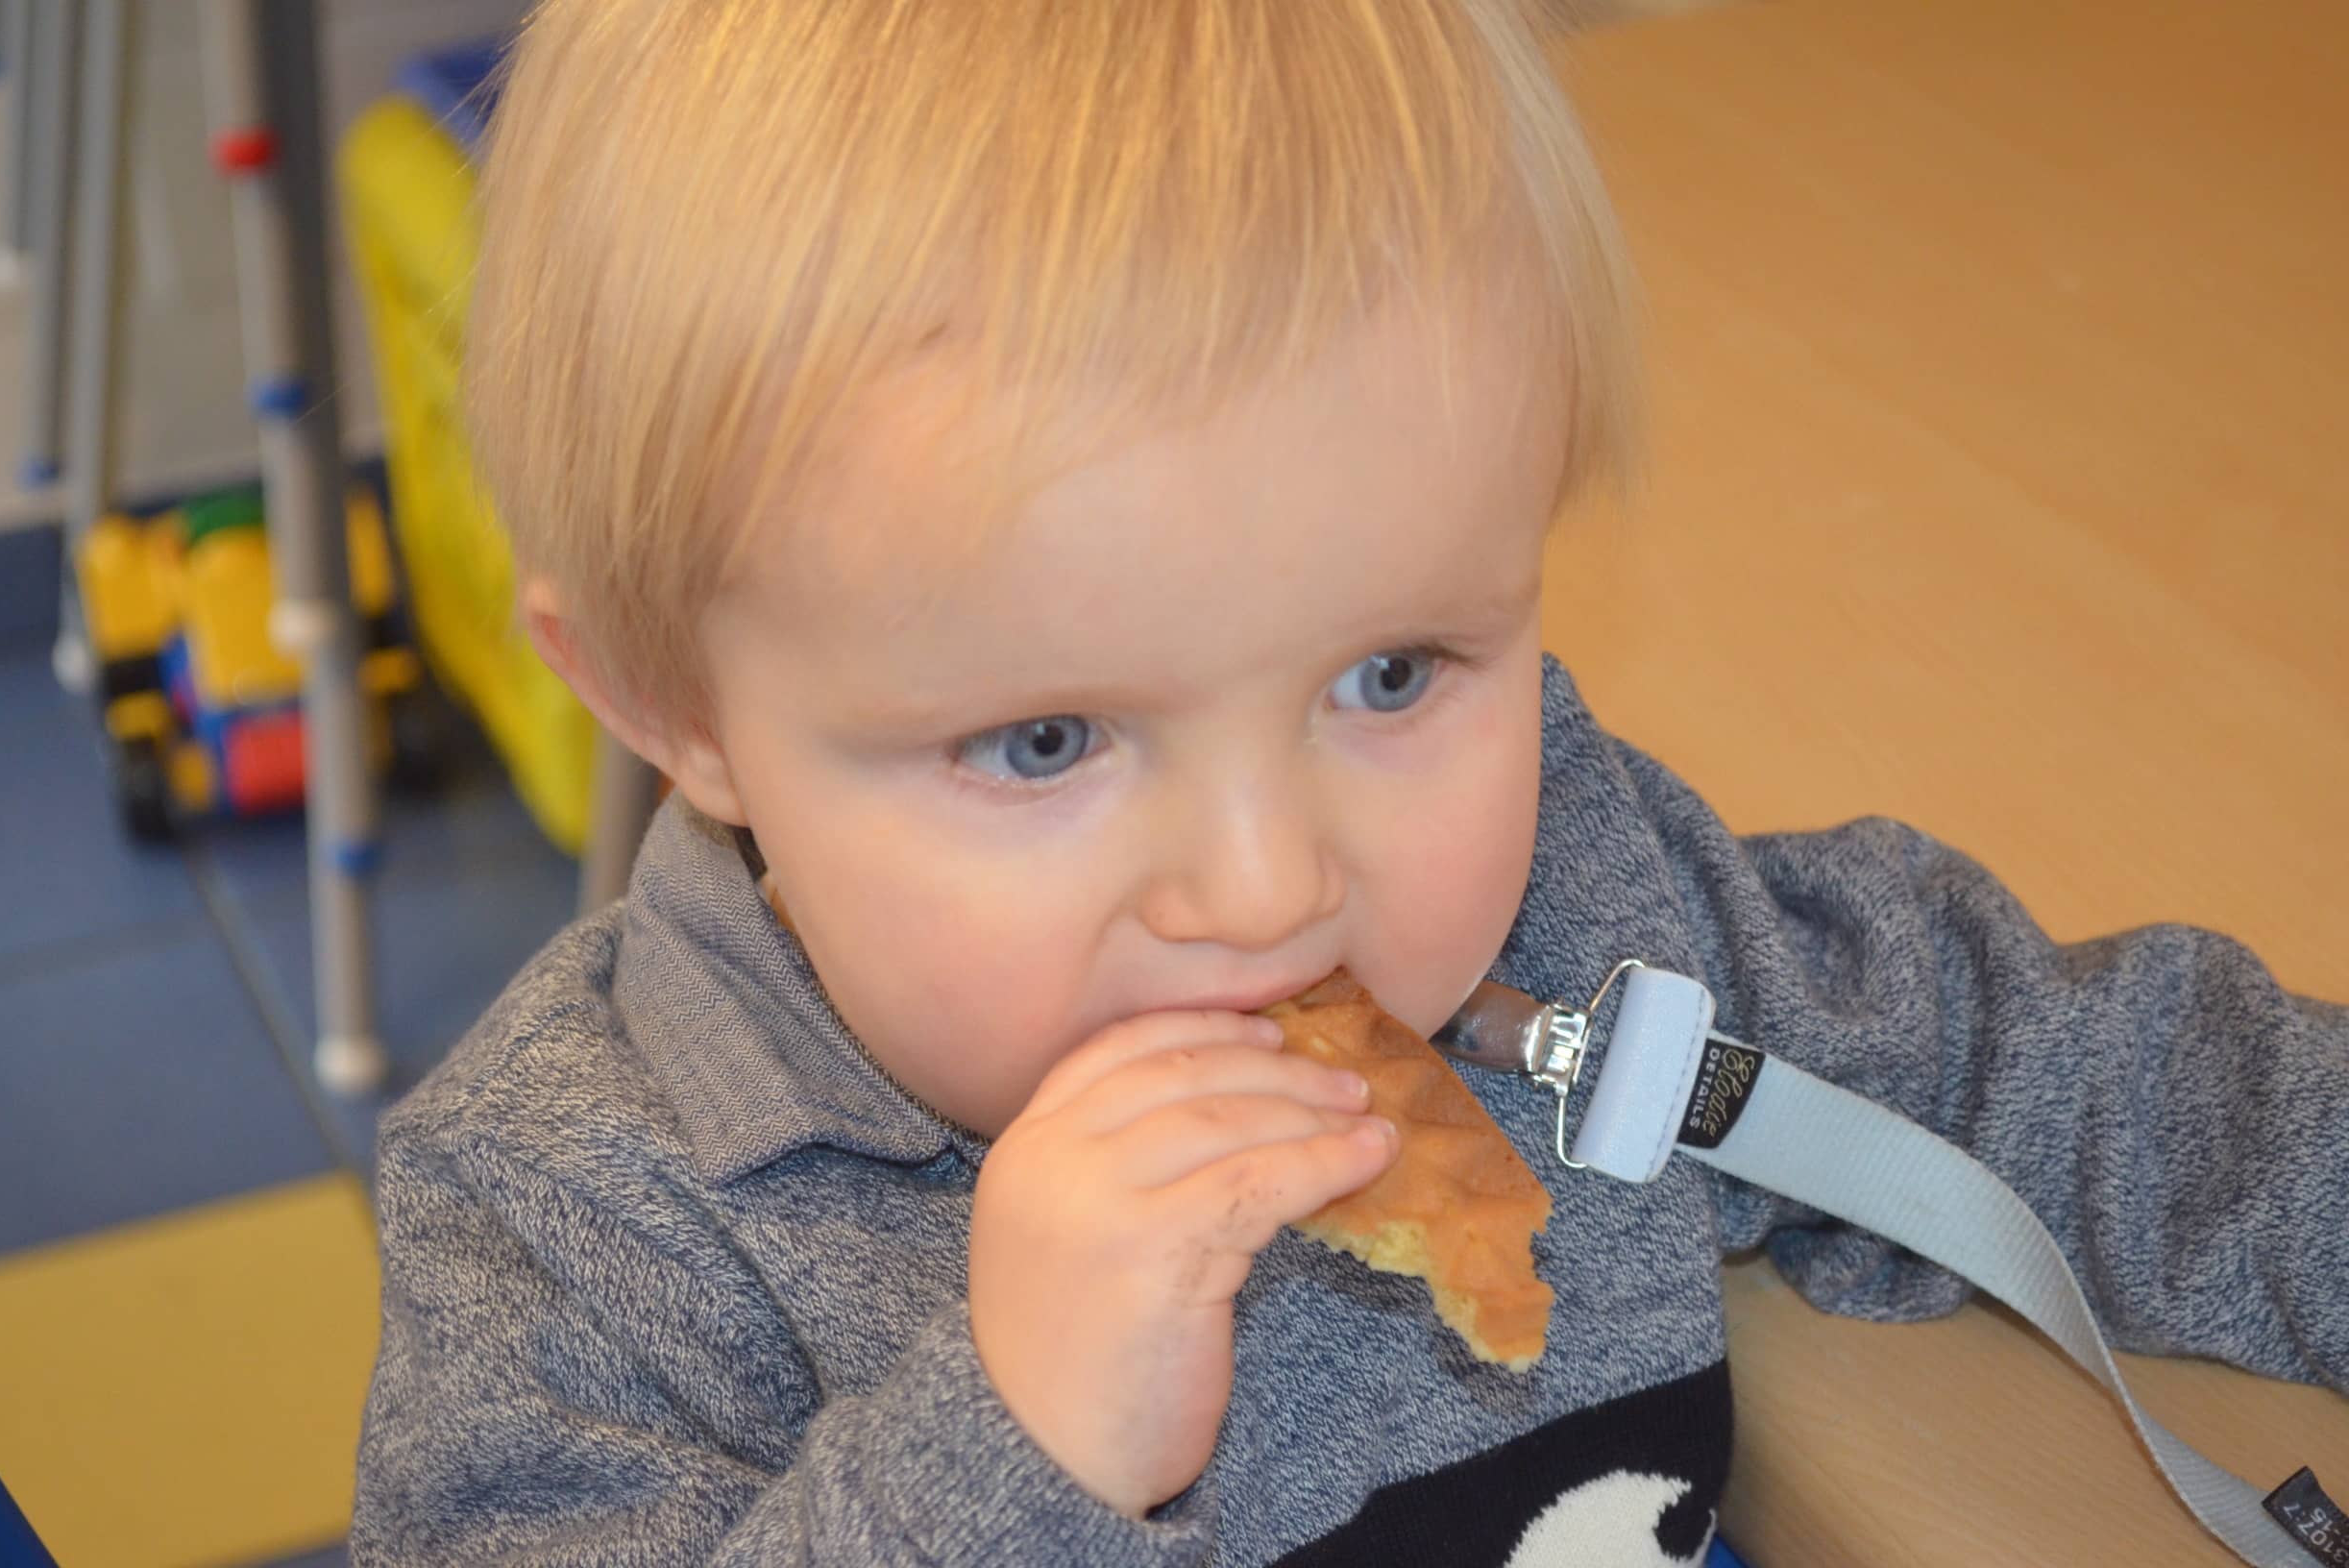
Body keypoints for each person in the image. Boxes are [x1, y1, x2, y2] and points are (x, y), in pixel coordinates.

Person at [351, 2, 2349, 1562]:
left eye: (1389, 675)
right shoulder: (577, 1227)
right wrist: (1013, 1456)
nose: (1266, 885)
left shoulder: (1578, 915)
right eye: (1045, 742)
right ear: (673, 704)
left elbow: (2068, 1082)